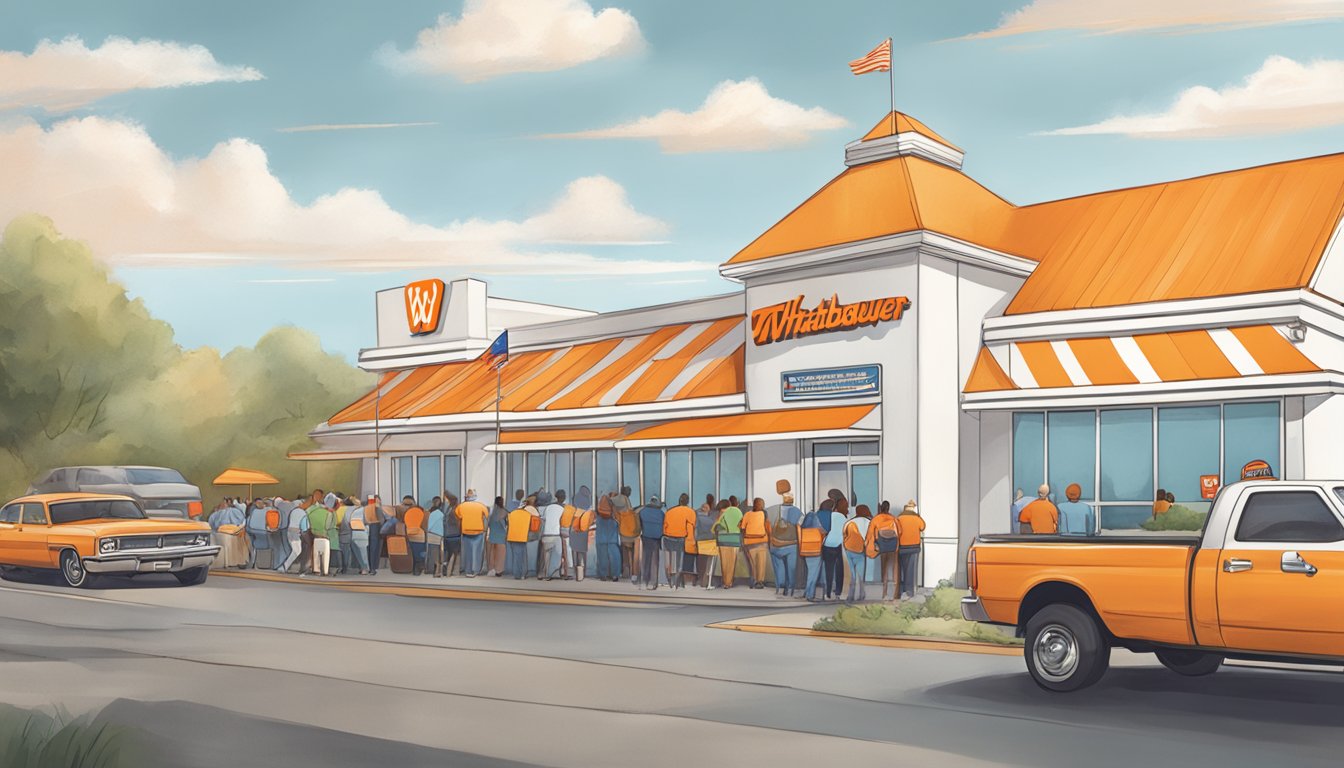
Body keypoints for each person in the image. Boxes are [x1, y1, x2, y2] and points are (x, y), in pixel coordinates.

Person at [768, 492, 801, 598]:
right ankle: (790, 589)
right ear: (792, 500)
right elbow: (801, 526)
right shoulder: (796, 511)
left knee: (779, 568)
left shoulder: (772, 511)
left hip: (775, 545)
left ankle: (780, 589)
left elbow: (768, 526)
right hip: (791, 545)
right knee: (791, 568)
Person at [866, 501, 900, 601]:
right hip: (894, 545)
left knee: (884, 568)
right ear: (888, 508)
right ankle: (895, 594)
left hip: (882, 545)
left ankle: (884, 593)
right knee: (895, 568)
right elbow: (900, 531)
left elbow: (870, 533)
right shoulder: (894, 518)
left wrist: (869, 544)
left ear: (881, 508)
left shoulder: (876, 519)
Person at [662, 493, 695, 589]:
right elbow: (692, 526)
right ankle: (675, 581)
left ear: (679, 501)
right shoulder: (690, 512)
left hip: (667, 537)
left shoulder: (670, 511)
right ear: (687, 501)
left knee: (669, 558)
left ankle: (669, 578)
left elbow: (664, 526)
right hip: (679, 539)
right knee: (677, 560)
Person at [819, 496, 847, 600]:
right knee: (839, 570)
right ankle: (838, 593)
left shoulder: (828, 516)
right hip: (838, 546)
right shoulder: (843, 518)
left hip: (827, 545)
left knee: (828, 570)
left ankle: (828, 593)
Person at [896, 500, 925, 600]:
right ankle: (910, 592)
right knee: (911, 570)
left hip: (901, 546)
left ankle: (902, 591)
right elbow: (923, 527)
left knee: (902, 569)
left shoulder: (899, 518)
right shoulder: (916, 518)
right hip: (914, 547)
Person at [456, 490, 489, 577]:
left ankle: (468, 570)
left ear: (467, 496)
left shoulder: (461, 506)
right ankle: (476, 570)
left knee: (467, 552)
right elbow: (487, 516)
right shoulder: (481, 506)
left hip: (466, 531)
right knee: (477, 552)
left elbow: (458, 517)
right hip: (478, 531)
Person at [843, 504, 872, 602]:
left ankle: (850, 596)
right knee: (861, 574)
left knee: (852, 574)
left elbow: (844, 534)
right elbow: (869, 537)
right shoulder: (869, 522)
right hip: (860, 550)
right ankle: (861, 594)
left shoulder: (850, 522)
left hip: (848, 549)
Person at [712, 498, 743, 589]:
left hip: (723, 539)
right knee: (732, 563)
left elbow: (715, 528)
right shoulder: (738, 511)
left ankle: (726, 582)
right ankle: (729, 582)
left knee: (724, 563)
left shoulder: (723, 514)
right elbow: (741, 524)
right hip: (735, 539)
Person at [740, 498, 770, 590]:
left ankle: (755, 580)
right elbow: (767, 527)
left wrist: (743, 540)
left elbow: (742, 528)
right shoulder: (764, 514)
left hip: (750, 542)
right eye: (761, 504)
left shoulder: (747, 514)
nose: (762, 506)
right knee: (760, 562)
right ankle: (758, 581)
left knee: (754, 563)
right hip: (761, 541)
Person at [637, 496, 665, 589]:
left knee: (646, 559)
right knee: (655, 560)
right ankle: (654, 582)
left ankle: (645, 580)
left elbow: (639, 524)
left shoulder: (643, 511)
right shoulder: (661, 513)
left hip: (646, 536)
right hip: (657, 538)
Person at [798, 507, 826, 601]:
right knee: (813, 575)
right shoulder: (819, 530)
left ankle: (806, 592)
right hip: (816, 553)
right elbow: (823, 537)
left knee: (810, 573)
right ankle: (810, 594)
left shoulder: (803, 530)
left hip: (806, 552)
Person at [613, 486, 639, 583]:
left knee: (626, 552)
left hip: (624, 531)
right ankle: (632, 573)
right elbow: (610, 500)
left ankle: (626, 572)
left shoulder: (623, 500)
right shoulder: (623, 499)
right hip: (629, 531)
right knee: (631, 552)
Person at [594, 491, 621, 581]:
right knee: (615, 557)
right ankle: (615, 575)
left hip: (601, 539)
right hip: (612, 539)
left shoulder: (598, 516)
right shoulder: (614, 513)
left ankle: (603, 575)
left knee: (602, 557)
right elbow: (619, 522)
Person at [306, 494, 334, 577]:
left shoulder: (310, 512)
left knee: (316, 555)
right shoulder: (328, 513)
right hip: (325, 537)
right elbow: (328, 526)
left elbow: (306, 516)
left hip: (315, 536)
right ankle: (325, 570)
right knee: (325, 555)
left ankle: (316, 570)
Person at [569, 489, 594, 581]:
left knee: (575, 553)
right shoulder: (588, 511)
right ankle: (583, 573)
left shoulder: (574, 510)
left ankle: (576, 573)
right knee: (583, 553)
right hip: (583, 532)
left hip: (574, 532)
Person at [539, 489, 564, 580]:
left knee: (546, 556)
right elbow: (563, 522)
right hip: (556, 535)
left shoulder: (548, 508)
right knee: (557, 555)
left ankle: (546, 574)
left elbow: (543, 519)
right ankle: (553, 573)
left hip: (546, 535)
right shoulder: (562, 509)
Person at [504, 500, 532, 579]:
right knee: (522, 556)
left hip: (512, 537)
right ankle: (521, 574)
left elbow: (508, 525)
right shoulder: (528, 514)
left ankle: (517, 574)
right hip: (523, 537)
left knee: (516, 556)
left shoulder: (511, 514)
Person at [695, 496, 718, 588]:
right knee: (709, 563)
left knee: (701, 562)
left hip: (700, 541)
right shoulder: (712, 519)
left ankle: (701, 580)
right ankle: (706, 581)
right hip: (711, 541)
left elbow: (696, 530)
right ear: (707, 510)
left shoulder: (697, 517)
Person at [280, 498, 309, 573]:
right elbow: (305, 525)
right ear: (300, 504)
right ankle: (284, 567)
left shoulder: (292, 511)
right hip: (296, 533)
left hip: (289, 532)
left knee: (294, 550)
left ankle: (289, 567)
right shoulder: (303, 512)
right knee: (297, 551)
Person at [401, 495, 428, 576]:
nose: (406, 506)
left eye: (408, 504)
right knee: (418, 553)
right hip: (419, 537)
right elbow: (425, 525)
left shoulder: (404, 513)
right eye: (405, 504)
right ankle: (417, 568)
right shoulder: (421, 511)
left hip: (409, 536)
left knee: (412, 553)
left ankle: (414, 568)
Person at [363, 495, 388, 575]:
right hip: (377, 528)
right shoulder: (378, 508)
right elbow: (381, 520)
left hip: (368, 528)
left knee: (369, 548)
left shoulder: (365, 508)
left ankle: (369, 567)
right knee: (376, 548)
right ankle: (373, 568)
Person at [346, 496, 370, 574]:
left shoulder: (348, 510)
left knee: (357, 552)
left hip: (353, 533)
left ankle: (361, 567)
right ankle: (365, 568)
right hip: (362, 532)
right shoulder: (363, 510)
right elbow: (368, 521)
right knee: (363, 553)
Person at [245, 498, 271, 569]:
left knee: (252, 545)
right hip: (264, 535)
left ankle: (253, 562)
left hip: (254, 534)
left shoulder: (253, 512)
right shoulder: (268, 512)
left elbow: (248, 526)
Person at [441, 493, 462, 578]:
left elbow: (455, 522)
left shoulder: (453, 510)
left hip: (452, 534)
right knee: (452, 553)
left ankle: (449, 571)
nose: (445, 501)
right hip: (451, 534)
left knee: (451, 553)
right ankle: (449, 571)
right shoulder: (451, 509)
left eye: (446, 499)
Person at [487, 496, 509, 576]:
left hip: (492, 535)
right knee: (501, 554)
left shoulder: (492, 512)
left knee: (492, 553)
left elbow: (489, 524)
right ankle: (499, 570)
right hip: (501, 535)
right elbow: (506, 524)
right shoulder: (504, 511)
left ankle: (491, 569)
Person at [425, 497, 445, 577]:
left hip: (432, 534)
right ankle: (437, 570)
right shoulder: (441, 513)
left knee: (433, 553)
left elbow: (428, 525)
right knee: (438, 552)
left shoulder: (430, 513)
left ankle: (435, 570)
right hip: (439, 534)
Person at [558, 490, 576, 580]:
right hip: (568, 531)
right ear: (564, 498)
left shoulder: (556, 507)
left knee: (559, 552)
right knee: (568, 551)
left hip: (557, 531)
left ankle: (561, 570)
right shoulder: (571, 508)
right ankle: (568, 571)